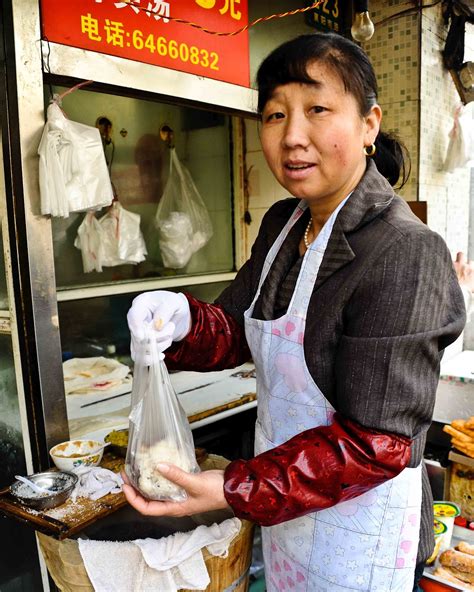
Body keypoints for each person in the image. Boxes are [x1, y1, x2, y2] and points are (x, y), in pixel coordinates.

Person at [124, 32, 466, 592]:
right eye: (274, 115)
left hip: (360, 530)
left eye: (318, 110)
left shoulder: (404, 250)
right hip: (286, 514)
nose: (292, 137)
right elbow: (237, 330)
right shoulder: (285, 223)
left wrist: (234, 488)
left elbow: (378, 441)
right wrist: (181, 320)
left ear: (369, 124)